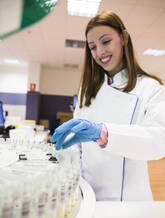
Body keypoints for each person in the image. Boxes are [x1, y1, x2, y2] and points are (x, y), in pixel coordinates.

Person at [51, 11, 165, 201]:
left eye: (105, 42)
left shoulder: (150, 88)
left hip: (130, 202)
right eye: (92, 47)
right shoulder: (87, 91)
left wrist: (104, 132)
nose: (99, 52)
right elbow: (76, 145)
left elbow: (160, 141)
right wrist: (66, 162)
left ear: (124, 38)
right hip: (87, 197)